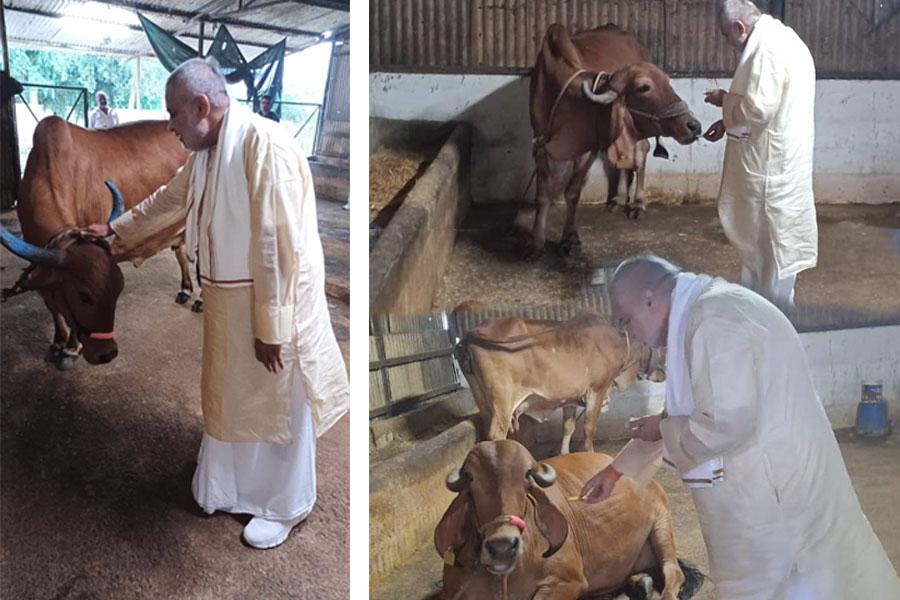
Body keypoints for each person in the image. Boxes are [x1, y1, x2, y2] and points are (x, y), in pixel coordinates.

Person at [79, 58, 349, 549]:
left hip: (272, 304)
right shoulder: (207, 151)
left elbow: (278, 243)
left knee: (275, 407)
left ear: (201, 106)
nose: (170, 126)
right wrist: (114, 230)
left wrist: (271, 326)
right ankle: (231, 487)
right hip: (228, 302)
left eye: (174, 115)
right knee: (228, 395)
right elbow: (167, 200)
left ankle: (282, 505)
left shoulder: (263, 145)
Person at [579, 254, 900, 599]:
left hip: (776, 500)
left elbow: (723, 424)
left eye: (627, 321)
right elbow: (704, 410)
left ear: (649, 298)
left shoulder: (715, 321)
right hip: (773, 488)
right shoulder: (708, 310)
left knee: (799, 582)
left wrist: (663, 429)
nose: (632, 335)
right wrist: (616, 472)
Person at [702, 0, 817, 310]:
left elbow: (757, 108)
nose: (730, 46)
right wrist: (725, 120)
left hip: (770, 171)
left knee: (768, 250)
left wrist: (725, 101)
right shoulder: (783, 37)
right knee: (768, 251)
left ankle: (773, 322)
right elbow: (763, 105)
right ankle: (761, 313)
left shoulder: (767, 50)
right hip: (781, 162)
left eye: (728, 37)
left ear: (740, 28)